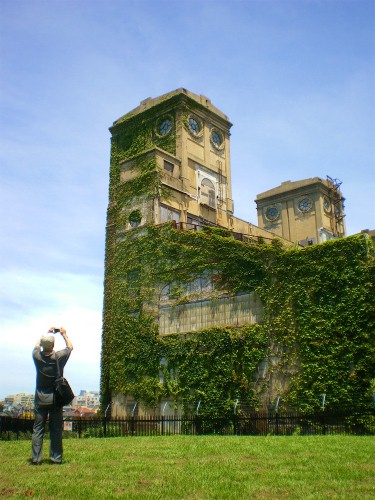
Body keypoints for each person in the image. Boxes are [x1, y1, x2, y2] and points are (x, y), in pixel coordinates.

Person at [31, 327, 73, 465]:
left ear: (43, 345)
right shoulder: (58, 357)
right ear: (53, 345)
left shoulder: (37, 356)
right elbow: (70, 347)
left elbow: (36, 346)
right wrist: (64, 334)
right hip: (55, 398)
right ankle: (56, 458)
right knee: (55, 430)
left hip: (40, 397)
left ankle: (36, 459)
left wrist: (47, 333)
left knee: (38, 429)